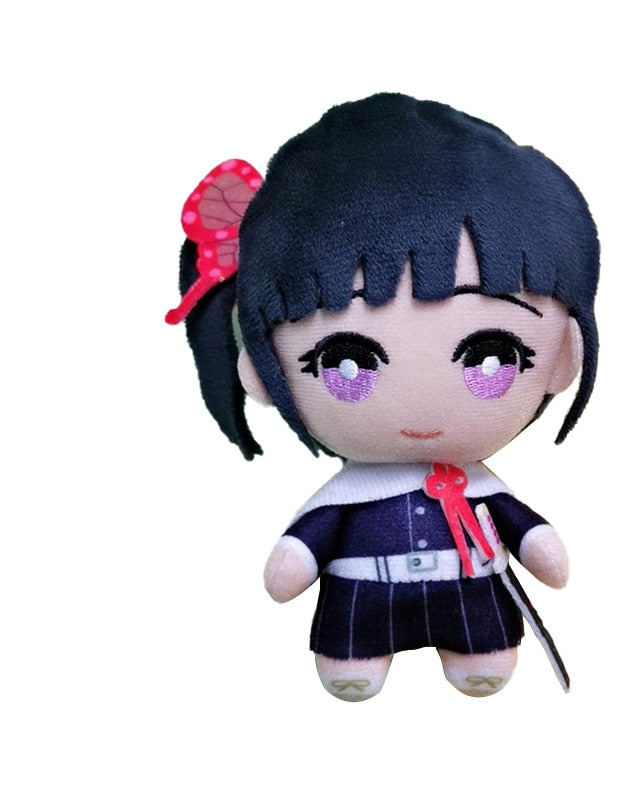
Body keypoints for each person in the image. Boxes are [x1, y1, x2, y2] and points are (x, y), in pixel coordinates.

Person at [168, 94, 600, 700]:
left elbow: (527, 533)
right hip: (361, 596)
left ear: (560, 359)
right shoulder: (349, 499)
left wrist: (537, 544)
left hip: (468, 593)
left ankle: (478, 653)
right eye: (344, 362)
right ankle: (357, 658)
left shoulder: (478, 488)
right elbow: (301, 552)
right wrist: (294, 558)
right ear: (261, 373)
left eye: (492, 355)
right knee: (354, 642)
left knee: (479, 631)